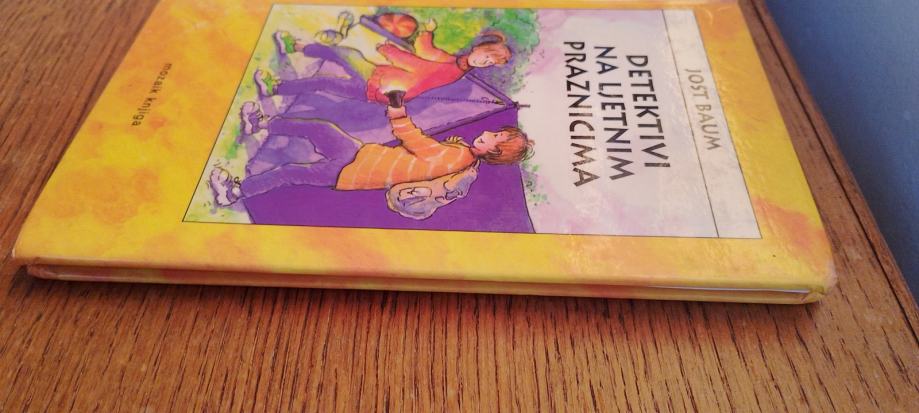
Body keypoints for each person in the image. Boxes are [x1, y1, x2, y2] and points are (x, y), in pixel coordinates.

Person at [210, 102, 531, 205]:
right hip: (364, 157)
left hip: (356, 171)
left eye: (495, 139)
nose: (488, 134)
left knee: (292, 171)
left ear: (494, 152)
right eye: (495, 132)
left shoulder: (456, 159)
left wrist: (398, 111)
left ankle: (235, 192)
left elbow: (416, 142)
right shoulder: (462, 155)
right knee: (320, 130)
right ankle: (261, 124)